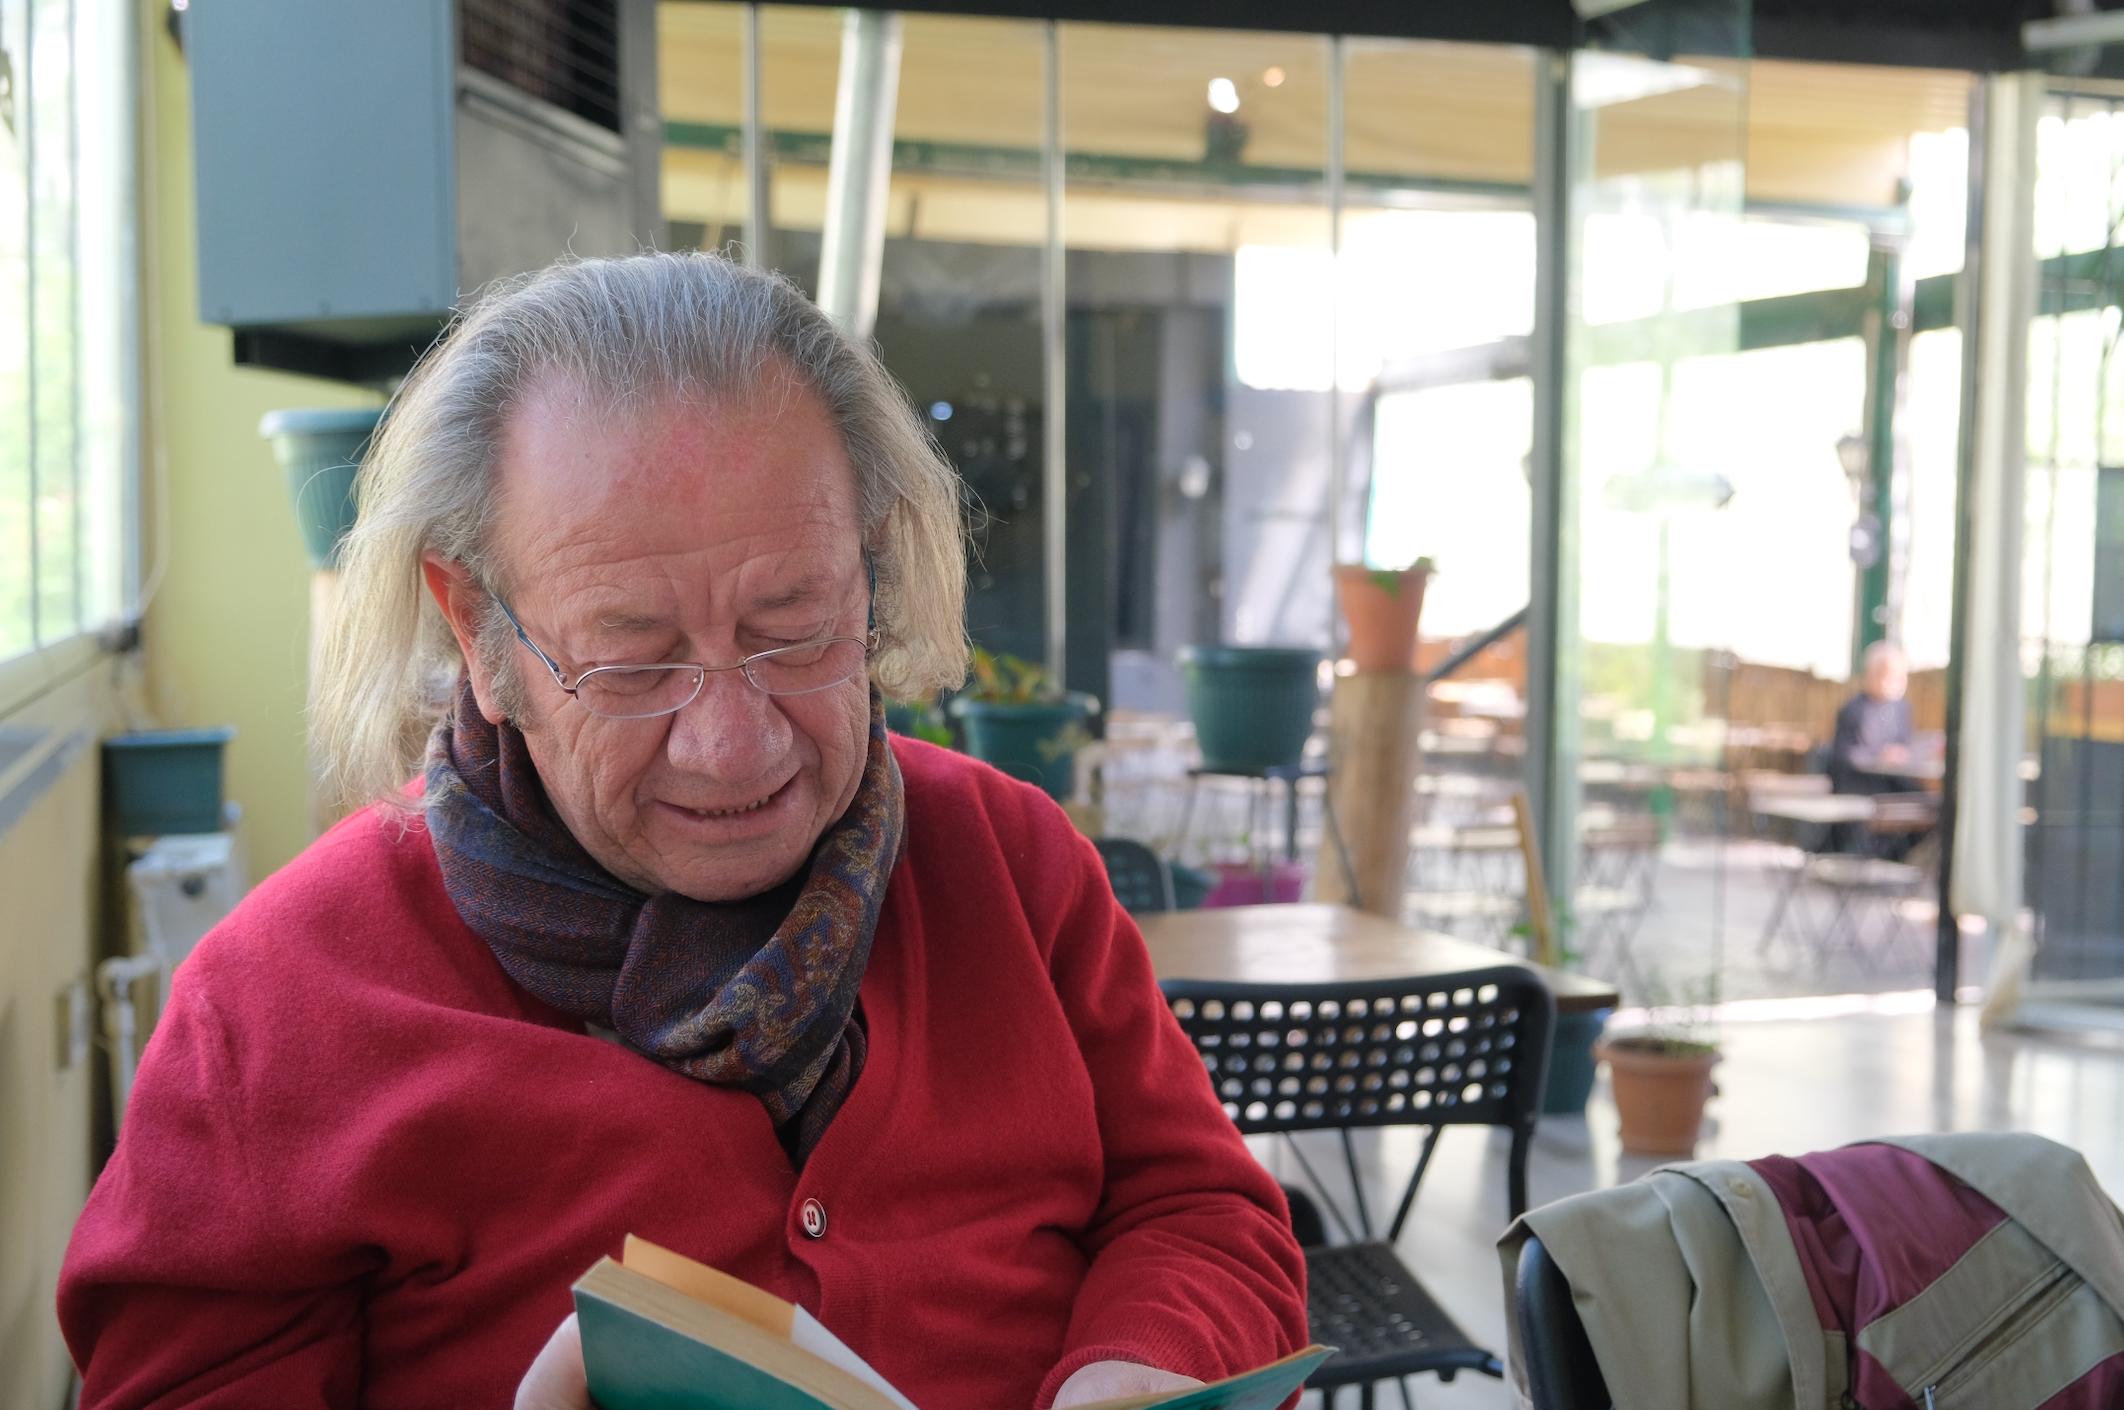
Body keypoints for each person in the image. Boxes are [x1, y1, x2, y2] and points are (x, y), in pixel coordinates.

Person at [58, 253, 1306, 1410]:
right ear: (478, 632)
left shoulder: (1011, 865)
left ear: (870, 573)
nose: (732, 744)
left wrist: (1142, 1365)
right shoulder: (277, 1007)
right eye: (632, 660)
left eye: (795, 627)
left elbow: (1201, 1209)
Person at [1827, 641, 1916, 797]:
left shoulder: (1902, 708)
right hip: (1860, 786)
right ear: (1870, 675)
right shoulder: (1854, 710)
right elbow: (1844, 756)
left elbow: (1907, 745)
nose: (1896, 682)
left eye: (1901, 677)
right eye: (1889, 676)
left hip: (1894, 782)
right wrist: (1879, 756)